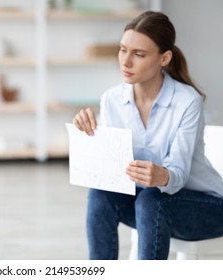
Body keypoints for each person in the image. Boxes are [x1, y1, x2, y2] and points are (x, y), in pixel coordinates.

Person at [73, 11, 223, 260]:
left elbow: (178, 174)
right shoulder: (112, 99)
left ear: (164, 58)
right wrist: (87, 134)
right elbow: (110, 172)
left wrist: (162, 175)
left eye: (139, 54)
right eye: (123, 50)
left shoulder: (187, 102)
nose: (126, 61)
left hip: (207, 209)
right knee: (101, 195)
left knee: (153, 199)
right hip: (150, 206)